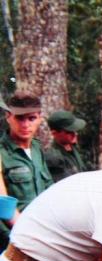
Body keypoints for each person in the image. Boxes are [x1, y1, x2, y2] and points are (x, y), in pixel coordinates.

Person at [0, 93, 53, 250]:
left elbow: (48, 190)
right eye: (19, 118)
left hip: (42, 234)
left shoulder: (37, 149)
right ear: (8, 117)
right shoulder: (2, 152)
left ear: (40, 118)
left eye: (31, 118)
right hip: (11, 239)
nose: (25, 125)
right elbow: (1, 203)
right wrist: (22, 235)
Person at [44, 110, 90, 182]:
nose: (75, 134)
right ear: (55, 133)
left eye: (75, 131)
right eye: (69, 132)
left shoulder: (72, 148)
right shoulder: (53, 158)